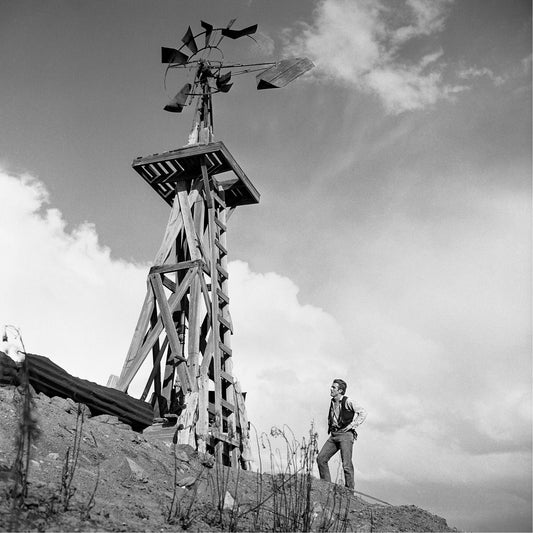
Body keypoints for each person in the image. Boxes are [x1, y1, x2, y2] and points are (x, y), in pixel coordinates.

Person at [316, 378, 367, 490]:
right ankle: (326, 487)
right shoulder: (332, 401)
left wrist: (352, 425)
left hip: (346, 435)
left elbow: (363, 412)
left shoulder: (348, 401)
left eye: (334, 387)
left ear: (340, 391)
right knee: (321, 459)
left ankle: (349, 493)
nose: (331, 389)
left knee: (346, 465)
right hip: (334, 434)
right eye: (332, 386)